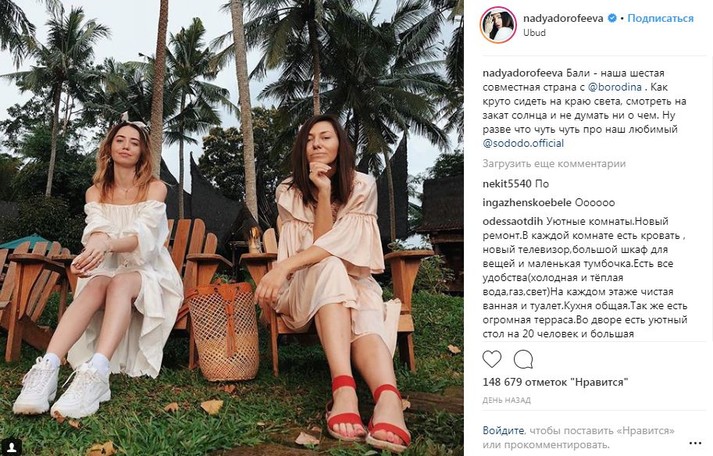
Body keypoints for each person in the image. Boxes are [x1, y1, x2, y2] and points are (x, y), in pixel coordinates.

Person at [254, 114, 411, 453]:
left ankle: (388, 398)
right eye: (310, 139)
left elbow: (340, 247)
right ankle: (345, 389)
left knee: (364, 305)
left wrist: (282, 266)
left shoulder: (362, 185)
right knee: (330, 268)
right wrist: (322, 195)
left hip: (351, 286)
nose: (317, 144)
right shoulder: (289, 191)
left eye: (325, 137)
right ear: (302, 149)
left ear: (340, 144)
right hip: (302, 290)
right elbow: (323, 249)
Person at [12, 120, 183, 419]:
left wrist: (105, 245)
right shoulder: (95, 192)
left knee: (119, 283)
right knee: (96, 284)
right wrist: (93, 249)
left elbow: (140, 238)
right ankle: (48, 367)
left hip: (149, 271)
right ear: (109, 147)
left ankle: (97, 374)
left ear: (143, 151)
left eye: (134, 142)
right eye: (120, 140)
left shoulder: (155, 188)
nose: (126, 146)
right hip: (108, 267)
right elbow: (97, 230)